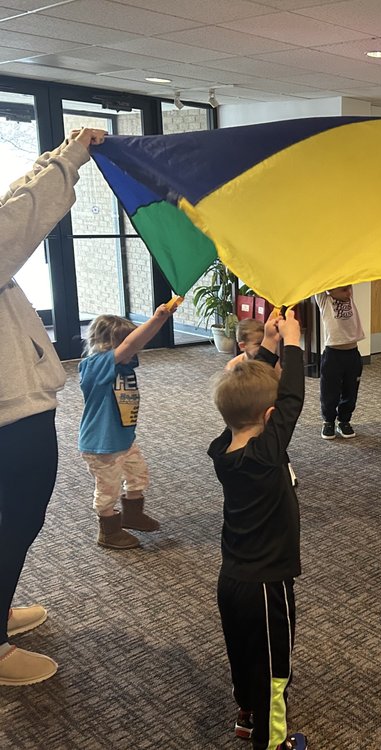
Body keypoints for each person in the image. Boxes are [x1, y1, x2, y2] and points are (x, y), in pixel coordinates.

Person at [0, 127, 105, 686]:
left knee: (16, 518)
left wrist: (53, 159)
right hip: (7, 416)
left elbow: (12, 207)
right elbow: (17, 223)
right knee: (11, 521)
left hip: (14, 406)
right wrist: (69, 159)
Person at [209, 308, 308, 750]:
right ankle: (272, 744)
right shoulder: (268, 453)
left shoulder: (224, 447)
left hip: (233, 580)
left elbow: (261, 403)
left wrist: (268, 346)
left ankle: (247, 715)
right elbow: (291, 402)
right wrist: (295, 343)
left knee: (244, 654)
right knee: (274, 668)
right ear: (269, 419)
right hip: (267, 585)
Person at [78, 307, 177, 549]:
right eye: (128, 346)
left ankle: (132, 514)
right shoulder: (95, 366)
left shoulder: (124, 366)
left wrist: (158, 323)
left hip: (123, 438)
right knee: (107, 489)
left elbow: (134, 344)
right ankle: (108, 531)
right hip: (102, 444)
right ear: (108, 344)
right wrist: (158, 318)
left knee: (138, 475)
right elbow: (131, 344)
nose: (135, 351)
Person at [227, 311, 295, 486]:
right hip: (245, 412)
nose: (264, 345)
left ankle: (284, 464)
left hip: (267, 408)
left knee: (273, 439)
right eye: (259, 343)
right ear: (243, 345)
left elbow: (279, 382)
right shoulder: (234, 367)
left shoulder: (272, 362)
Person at [314, 285, 364, 439]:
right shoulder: (325, 301)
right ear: (330, 290)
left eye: (349, 288)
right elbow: (318, 282)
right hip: (332, 355)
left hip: (352, 354)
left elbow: (348, 276)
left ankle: (344, 420)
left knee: (350, 390)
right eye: (343, 290)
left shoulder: (350, 297)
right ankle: (328, 421)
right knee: (330, 391)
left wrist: (346, 286)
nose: (348, 292)